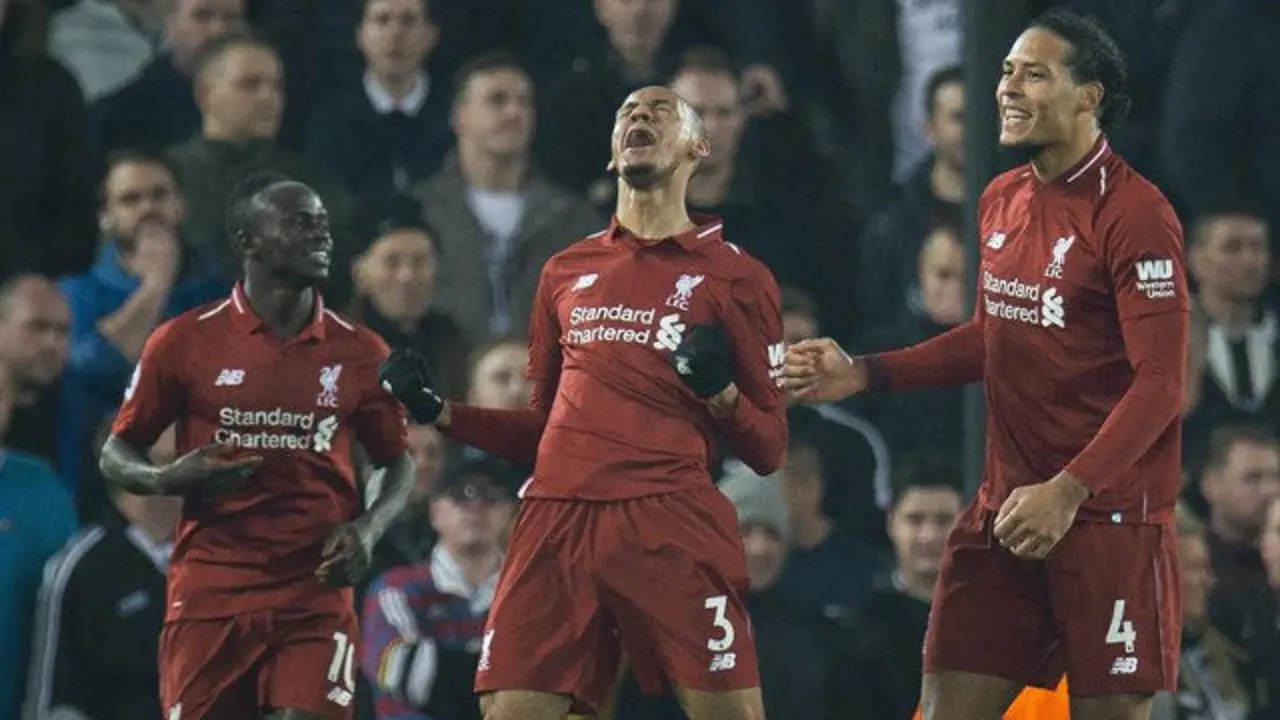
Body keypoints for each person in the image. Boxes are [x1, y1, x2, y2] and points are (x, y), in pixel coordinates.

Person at [785, 10, 1187, 720]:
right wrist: (865, 372)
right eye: (1005, 71)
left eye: (1035, 73)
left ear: (1089, 97)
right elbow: (990, 338)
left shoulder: (1136, 214)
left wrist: (1068, 492)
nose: (1008, 87)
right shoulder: (1002, 198)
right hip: (1004, 515)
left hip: (1107, 523)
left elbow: (1160, 383)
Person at [381, 85, 787, 720]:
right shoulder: (565, 270)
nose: (639, 117)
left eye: (660, 111)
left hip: (669, 520)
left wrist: (722, 393)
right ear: (611, 152)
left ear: (698, 148)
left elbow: (769, 447)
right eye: (627, 111)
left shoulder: (736, 277)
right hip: (557, 516)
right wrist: (442, 412)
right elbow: (544, 428)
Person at [97, 173, 417, 720]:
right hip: (212, 593)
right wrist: (166, 479)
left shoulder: (361, 350)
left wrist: (368, 526)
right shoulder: (184, 341)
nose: (321, 235)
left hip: (313, 593)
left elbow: (396, 461)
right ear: (248, 240)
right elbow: (116, 452)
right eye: (299, 222)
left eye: (322, 223)